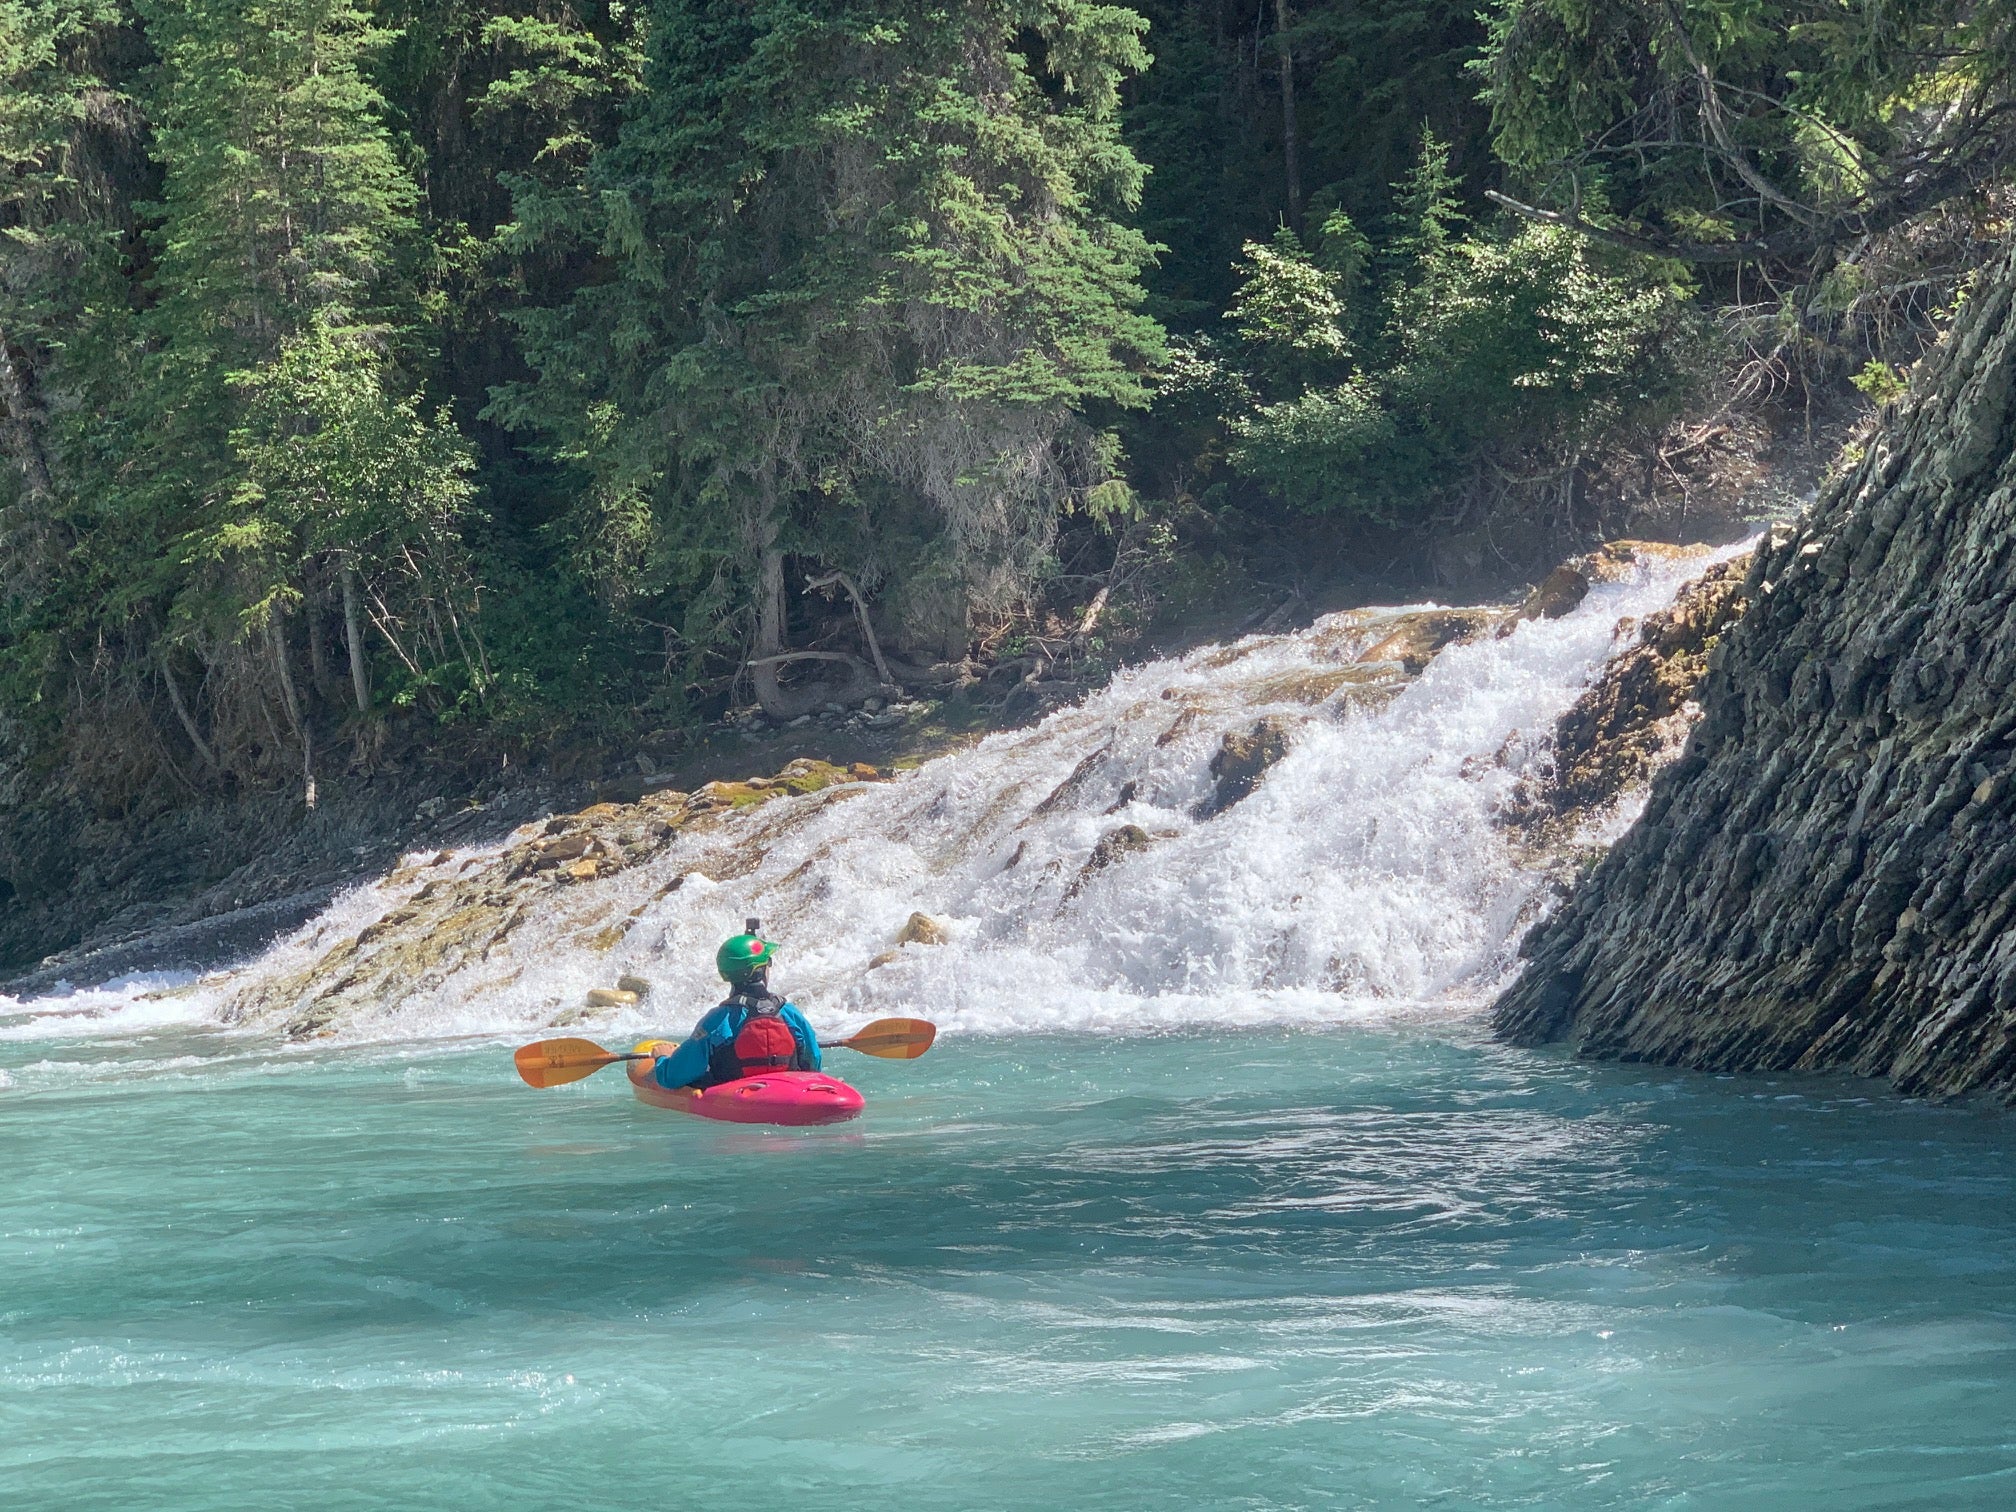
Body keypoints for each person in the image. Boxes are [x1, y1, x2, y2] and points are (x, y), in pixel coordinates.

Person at [649, 921, 822, 1090]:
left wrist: (663, 1058)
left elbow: (672, 1077)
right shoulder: (789, 1012)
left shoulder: (717, 1020)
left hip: (737, 1096)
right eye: (767, 962)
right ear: (760, 970)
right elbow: (813, 1060)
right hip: (789, 1091)